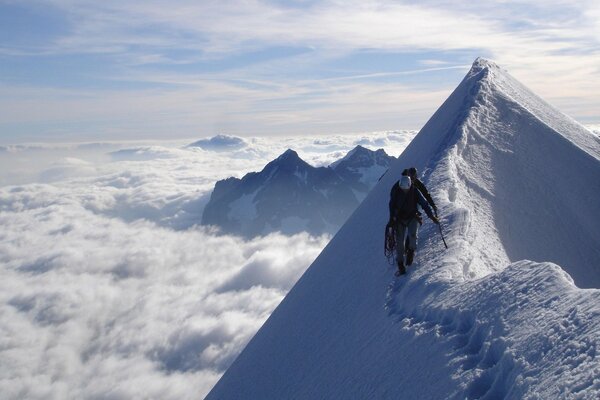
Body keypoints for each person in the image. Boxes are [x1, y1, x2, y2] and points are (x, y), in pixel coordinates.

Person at [388, 175, 439, 275]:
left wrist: (431, 216)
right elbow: (391, 205)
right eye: (403, 189)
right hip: (400, 219)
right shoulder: (397, 191)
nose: (404, 191)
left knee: (413, 236)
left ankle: (411, 252)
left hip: (411, 217)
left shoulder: (415, 191)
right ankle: (401, 263)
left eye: (406, 189)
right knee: (399, 242)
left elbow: (424, 204)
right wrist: (392, 219)